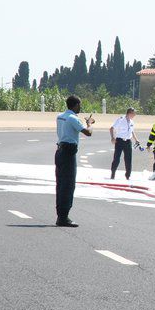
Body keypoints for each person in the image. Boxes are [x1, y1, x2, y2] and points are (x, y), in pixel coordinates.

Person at [55, 95, 94, 227]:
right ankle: (63, 217)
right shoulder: (73, 118)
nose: (80, 107)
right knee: (68, 185)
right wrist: (89, 123)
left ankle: (60, 215)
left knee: (60, 184)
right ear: (76, 105)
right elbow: (88, 133)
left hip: (60, 151)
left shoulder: (60, 116)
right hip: (68, 153)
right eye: (79, 105)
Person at [109, 107, 140, 180]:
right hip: (119, 141)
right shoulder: (121, 120)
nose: (135, 115)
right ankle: (113, 173)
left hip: (128, 141)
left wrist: (136, 139)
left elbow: (132, 131)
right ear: (129, 113)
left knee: (128, 159)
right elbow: (112, 128)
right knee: (116, 158)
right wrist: (113, 137)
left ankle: (128, 176)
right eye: (133, 113)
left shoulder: (132, 122)